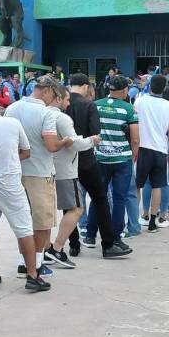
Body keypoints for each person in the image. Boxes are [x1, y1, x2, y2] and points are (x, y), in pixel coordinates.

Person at [0, 100, 49, 291]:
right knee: (24, 230)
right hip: (11, 185)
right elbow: (26, 152)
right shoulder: (13, 123)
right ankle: (32, 276)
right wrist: (11, 157)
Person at [6, 75, 74, 275]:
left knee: (23, 221)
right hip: (41, 173)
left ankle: (22, 261)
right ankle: (35, 264)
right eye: (54, 95)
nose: (54, 100)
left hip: (18, 172)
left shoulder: (12, 108)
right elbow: (52, 145)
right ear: (46, 91)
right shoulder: (46, 113)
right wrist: (66, 141)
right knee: (42, 223)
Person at [66, 73, 131, 258]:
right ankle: (108, 244)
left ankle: (74, 244)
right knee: (100, 199)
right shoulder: (89, 105)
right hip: (86, 159)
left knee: (69, 203)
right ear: (86, 86)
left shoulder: (61, 104)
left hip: (65, 161)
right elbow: (95, 133)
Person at [46, 88, 97, 268]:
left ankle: (43, 250)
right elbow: (74, 143)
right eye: (66, 100)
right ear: (58, 98)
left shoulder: (39, 115)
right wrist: (92, 140)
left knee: (44, 214)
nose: (68, 104)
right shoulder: (61, 118)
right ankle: (56, 248)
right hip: (64, 171)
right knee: (76, 209)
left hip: (44, 170)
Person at [87, 76, 141, 242]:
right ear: (125, 91)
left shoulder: (95, 105)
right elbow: (136, 138)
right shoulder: (128, 109)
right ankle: (115, 236)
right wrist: (132, 156)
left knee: (98, 197)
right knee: (120, 199)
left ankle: (90, 235)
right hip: (122, 159)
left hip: (100, 158)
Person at [134, 75, 169, 231]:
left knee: (138, 185)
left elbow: (133, 122)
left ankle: (137, 219)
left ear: (150, 86)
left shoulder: (140, 101)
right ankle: (153, 222)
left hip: (142, 149)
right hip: (160, 150)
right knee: (157, 186)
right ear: (164, 88)